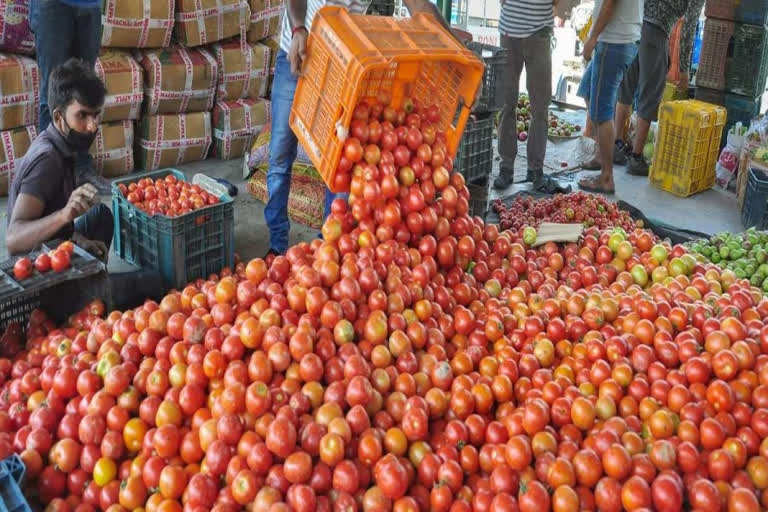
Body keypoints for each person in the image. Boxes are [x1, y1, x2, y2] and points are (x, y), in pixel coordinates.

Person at [265, 0, 454, 257]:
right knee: (280, 153)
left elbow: (420, 5)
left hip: (341, 64)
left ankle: (328, 247)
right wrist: (299, 29)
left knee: (341, 162)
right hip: (297, 53)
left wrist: (457, 48)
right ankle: (277, 245)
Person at [6, 58, 112, 259]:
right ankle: (87, 289)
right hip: (40, 269)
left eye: (95, 115)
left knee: (102, 215)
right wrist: (65, 215)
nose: (92, 126)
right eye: (82, 115)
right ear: (57, 117)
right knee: (149, 281)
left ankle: (93, 279)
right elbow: (13, 240)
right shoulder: (47, 161)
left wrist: (80, 241)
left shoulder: (62, 145)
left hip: (56, 246)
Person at [613, 0, 705, 176]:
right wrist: (684, 70)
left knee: (626, 87)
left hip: (635, 25)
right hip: (655, 32)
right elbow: (689, 27)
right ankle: (636, 157)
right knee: (650, 95)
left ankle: (616, 145)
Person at [29, 0, 110, 193]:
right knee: (53, 91)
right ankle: (49, 173)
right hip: (52, 5)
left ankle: (82, 170)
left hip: (90, 5)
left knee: (85, 92)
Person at [493, 0, 568, 193]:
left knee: (541, 104)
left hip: (539, 32)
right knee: (506, 102)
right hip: (510, 31)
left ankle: (536, 169)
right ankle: (506, 167)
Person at [576, 0, 642, 194]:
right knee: (589, 91)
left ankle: (606, 177)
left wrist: (593, 37)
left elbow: (610, 3)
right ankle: (601, 154)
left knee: (601, 111)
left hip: (614, 41)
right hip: (619, 39)